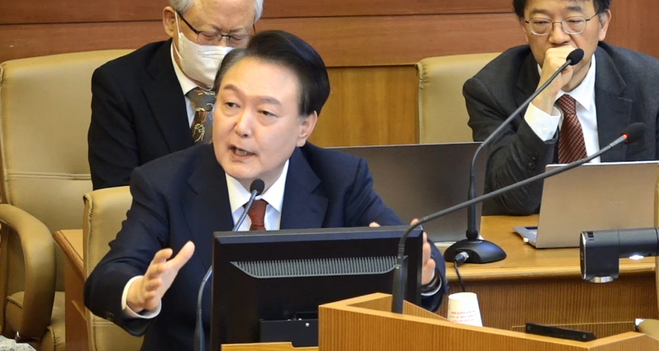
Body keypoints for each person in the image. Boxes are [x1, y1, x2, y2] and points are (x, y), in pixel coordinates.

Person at [84, 31, 447, 351]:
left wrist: (421, 275)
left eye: (266, 113)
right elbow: (107, 278)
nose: (241, 126)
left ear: (304, 126)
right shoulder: (165, 182)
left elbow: (421, 267)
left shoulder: (341, 180)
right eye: (230, 105)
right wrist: (137, 293)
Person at [463, 0, 659, 215]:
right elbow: (513, 200)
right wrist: (544, 98)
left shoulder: (650, 83)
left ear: (602, 24)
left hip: (624, 234)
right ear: (524, 26)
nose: (558, 37)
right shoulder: (490, 91)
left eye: (574, 20)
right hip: (530, 236)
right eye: (541, 22)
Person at [88, 0, 263, 190]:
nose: (223, 48)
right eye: (209, 35)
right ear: (172, 22)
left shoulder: (267, 84)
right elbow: (115, 194)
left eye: (237, 37)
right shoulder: (120, 85)